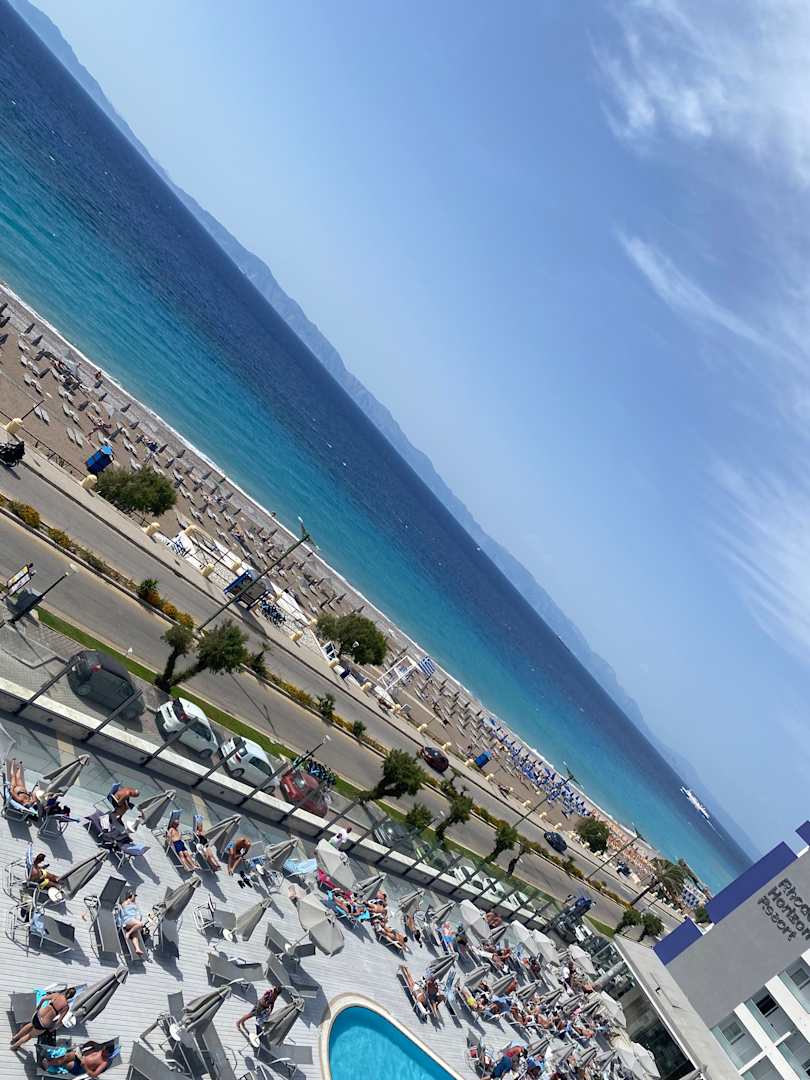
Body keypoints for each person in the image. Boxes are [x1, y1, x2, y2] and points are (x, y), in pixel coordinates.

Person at [10, 987, 77, 1050]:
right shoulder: (66, 1007)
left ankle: (15, 1037)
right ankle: (15, 1046)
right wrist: (53, 1028)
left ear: (66, 991)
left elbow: (43, 999)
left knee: (30, 1024)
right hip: (43, 1024)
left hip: (38, 1015)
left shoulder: (57, 995)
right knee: (29, 1035)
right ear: (71, 997)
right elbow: (59, 1021)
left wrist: (39, 1006)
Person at [43, 1040, 112, 1077]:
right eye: (104, 1049)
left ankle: (50, 1066)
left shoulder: (104, 1063)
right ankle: (50, 1062)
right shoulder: (100, 1048)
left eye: (105, 1052)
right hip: (80, 1056)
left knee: (69, 1064)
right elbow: (90, 1043)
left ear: (109, 1054)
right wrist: (85, 1045)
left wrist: (85, 1066)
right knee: (68, 1055)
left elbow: (94, 1075)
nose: (103, 1051)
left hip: (81, 1067)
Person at [116, 890, 146, 958]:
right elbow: (124, 910)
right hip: (127, 921)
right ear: (130, 896)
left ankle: (137, 949)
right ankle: (128, 933)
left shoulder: (134, 904)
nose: (135, 897)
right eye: (134, 896)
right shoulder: (126, 902)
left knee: (135, 935)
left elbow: (138, 913)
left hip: (133, 922)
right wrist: (130, 902)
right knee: (141, 924)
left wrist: (137, 914)